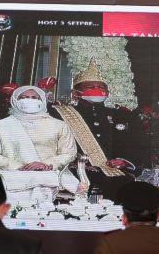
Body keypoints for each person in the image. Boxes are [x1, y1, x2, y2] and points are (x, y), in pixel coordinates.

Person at [53, 58, 148, 201]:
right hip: (73, 170)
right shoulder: (61, 114)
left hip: (114, 173)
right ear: (75, 93)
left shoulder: (122, 115)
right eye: (90, 87)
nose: (97, 90)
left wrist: (125, 161)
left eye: (101, 87)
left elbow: (137, 143)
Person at [0, 85, 84, 206]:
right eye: (24, 97)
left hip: (50, 171)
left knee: (46, 180)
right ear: (15, 100)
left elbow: (69, 153)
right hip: (10, 171)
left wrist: (47, 164)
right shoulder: (0, 126)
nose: (29, 100)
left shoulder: (59, 125)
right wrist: (18, 166)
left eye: (34, 97)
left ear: (42, 100)